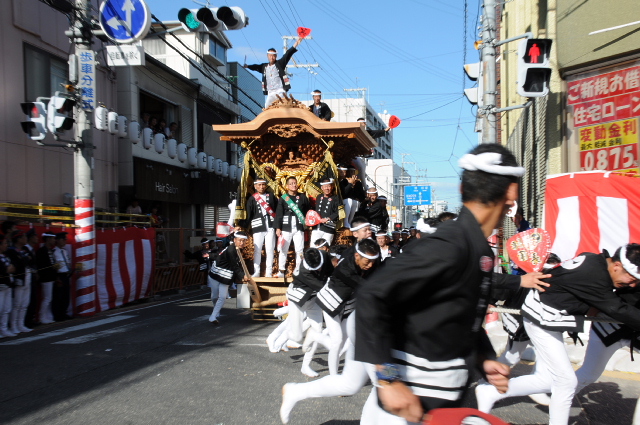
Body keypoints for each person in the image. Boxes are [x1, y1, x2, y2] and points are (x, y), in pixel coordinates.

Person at [355, 143, 527, 424]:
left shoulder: (477, 248)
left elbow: (461, 316)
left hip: (439, 407)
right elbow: (372, 294)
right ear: (511, 192)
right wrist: (388, 379)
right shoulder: (451, 243)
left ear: (462, 189)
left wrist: (484, 358)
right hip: (404, 408)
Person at [476, 243, 640, 425]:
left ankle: (490, 391)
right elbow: (617, 308)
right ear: (617, 266)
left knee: (547, 379)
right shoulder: (595, 274)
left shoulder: (595, 261)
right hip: (541, 320)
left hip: (548, 319)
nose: (632, 285)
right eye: (632, 278)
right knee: (566, 381)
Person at [280, 239, 381, 424]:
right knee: (337, 341)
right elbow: (366, 286)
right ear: (357, 256)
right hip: (330, 302)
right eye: (367, 261)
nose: (371, 265)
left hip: (348, 305)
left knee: (344, 343)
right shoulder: (345, 269)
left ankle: (320, 347)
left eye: (373, 261)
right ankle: (334, 375)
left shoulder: (365, 257)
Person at [286, 247, 335, 377]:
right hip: (298, 300)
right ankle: (283, 337)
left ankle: (306, 366)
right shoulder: (303, 271)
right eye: (315, 269)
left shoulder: (324, 254)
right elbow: (322, 287)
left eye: (320, 266)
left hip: (314, 299)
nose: (319, 270)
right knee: (297, 337)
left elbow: (332, 273)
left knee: (317, 330)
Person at [244, 38, 304, 107]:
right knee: (267, 108)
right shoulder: (264, 67)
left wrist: (296, 43)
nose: (272, 57)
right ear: (267, 56)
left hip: (280, 91)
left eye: (273, 56)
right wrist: (248, 66)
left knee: (283, 107)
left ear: (276, 56)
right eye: (270, 56)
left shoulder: (279, 64)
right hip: (271, 92)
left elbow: (288, 54)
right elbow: (256, 67)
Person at [207, 231, 250, 325]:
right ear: (235, 240)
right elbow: (235, 265)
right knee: (214, 297)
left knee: (222, 297)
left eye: (243, 241)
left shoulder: (238, 249)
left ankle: (213, 316)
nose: (242, 243)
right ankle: (216, 309)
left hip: (226, 276)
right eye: (240, 240)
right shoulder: (231, 250)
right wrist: (242, 275)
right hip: (216, 273)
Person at [275, 176, 311, 277]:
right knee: (283, 249)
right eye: (291, 184)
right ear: (287, 186)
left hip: (299, 227)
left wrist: (308, 223)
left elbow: (308, 211)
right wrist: (278, 228)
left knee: (299, 249)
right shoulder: (283, 198)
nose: (293, 185)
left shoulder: (303, 197)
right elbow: (279, 214)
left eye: (295, 183)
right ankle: (281, 271)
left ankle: (298, 270)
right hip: (286, 227)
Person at [241, 179, 277, 277]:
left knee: (270, 249)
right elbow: (249, 215)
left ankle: (269, 272)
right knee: (257, 249)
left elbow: (276, 211)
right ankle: (256, 271)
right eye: (259, 185)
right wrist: (243, 226)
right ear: (255, 186)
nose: (262, 187)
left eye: (263, 185)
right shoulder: (252, 199)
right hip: (257, 226)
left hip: (270, 225)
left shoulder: (271, 196)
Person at [6, 231, 33, 334]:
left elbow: (31, 259)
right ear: (18, 239)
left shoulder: (25, 249)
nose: (26, 239)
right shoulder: (11, 251)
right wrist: (25, 259)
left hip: (28, 276)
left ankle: (21, 324)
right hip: (19, 278)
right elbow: (20, 262)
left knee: (25, 303)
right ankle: (13, 326)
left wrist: (25, 259)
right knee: (17, 303)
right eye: (24, 237)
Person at [310, 178, 340, 245]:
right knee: (313, 246)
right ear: (322, 188)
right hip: (317, 227)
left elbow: (338, 212)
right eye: (325, 186)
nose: (327, 188)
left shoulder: (336, 198)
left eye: (329, 186)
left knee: (325, 247)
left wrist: (328, 218)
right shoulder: (319, 197)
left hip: (329, 227)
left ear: (332, 187)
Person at [36, 233, 58, 324]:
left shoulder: (50, 250)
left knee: (49, 298)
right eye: (53, 239)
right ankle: (41, 317)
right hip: (46, 278)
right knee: (47, 298)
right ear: (48, 239)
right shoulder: (42, 251)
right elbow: (41, 265)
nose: (54, 241)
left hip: (51, 277)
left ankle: (47, 315)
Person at [338, 164, 365, 229]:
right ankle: (346, 222)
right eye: (349, 171)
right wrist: (350, 184)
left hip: (353, 202)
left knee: (355, 202)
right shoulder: (343, 181)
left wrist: (358, 199)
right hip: (343, 200)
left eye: (352, 172)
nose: (351, 173)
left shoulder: (358, 183)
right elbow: (344, 193)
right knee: (349, 201)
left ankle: (349, 222)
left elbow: (362, 195)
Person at [52, 232, 72, 321]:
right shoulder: (54, 252)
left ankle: (64, 313)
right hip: (59, 275)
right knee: (58, 296)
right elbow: (54, 266)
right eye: (63, 239)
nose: (65, 241)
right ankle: (58, 315)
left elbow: (67, 262)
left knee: (66, 295)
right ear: (58, 240)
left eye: (65, 239)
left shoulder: (64, 251)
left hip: (66, 275)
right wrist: (56, 278)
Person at [0, 234, 16, 337]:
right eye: (4, 243)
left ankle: (4, 328)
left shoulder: (5, 256)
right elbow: (4, 270)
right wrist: (7, 270)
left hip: (8, 284)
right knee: (0, 308)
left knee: (7, 308)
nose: (6, 245)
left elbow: (13, 268)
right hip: (1, 285)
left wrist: (8, 270)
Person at [23, 229, 39, 329]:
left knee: (33, 298)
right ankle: (26, 321)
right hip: (26, 276)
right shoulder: (25, 249)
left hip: (32, 277)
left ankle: (31, 319)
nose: (37, 238)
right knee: (26, 300)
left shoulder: (32, 249)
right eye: (35, 236)